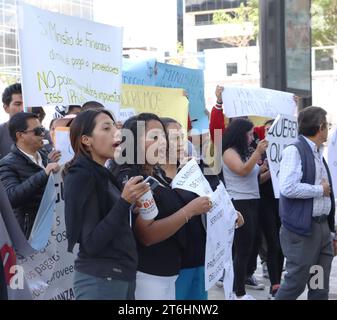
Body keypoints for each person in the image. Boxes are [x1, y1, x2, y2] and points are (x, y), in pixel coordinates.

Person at [116, 113, 212, 300]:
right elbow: (147, 235)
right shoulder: (135, 179)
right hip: (148, 275)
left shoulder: (157, 174)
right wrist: (189, 210)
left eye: (163, 136)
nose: (162, 143)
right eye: (154, 137)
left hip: (168, 272)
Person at [63, 109, 150, 300]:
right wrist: (124, 201)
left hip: (119, 276)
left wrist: (130, 206)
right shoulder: (81, 175)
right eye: (106, 128)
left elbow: (111, 218)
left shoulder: (102, 173)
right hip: (101, 281)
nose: (116, 133)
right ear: (86, 140)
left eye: (115, 126)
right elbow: (91, 242)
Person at [276, 106, 335, 300]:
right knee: (296, 282)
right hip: (302, 231)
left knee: (319, 286)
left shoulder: (317, 152)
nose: (328, 129)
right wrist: (319, 190)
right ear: (320, 127)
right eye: (327, 125)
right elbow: (287, 187)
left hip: (321, 229)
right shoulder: (295, 150)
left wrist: (330, 228)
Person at [222, 118, 268, 300]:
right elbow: (242, 171)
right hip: (239, 203)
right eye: (249, 134)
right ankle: (237, 292)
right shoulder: (229, 152)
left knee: (253, 244)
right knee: (243, 248)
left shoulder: (246, 153)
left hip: (253, 201)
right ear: (241, 134)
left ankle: (240, 285)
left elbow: (254, 179)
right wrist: (257, 153)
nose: (252, 138)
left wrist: (268, 170)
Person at [0, 112, 60, 238]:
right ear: (20, 135)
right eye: (37, 131)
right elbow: (11, 198)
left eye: (42, 129)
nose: (43, 134)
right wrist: (44, 174)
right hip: (32, 234)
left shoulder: (45, 157)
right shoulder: (6, 164)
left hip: (56, 228)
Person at [258, 119, 284, 299]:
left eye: (272, 129)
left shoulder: (288, 151)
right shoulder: (259, 152)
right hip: (265, 202)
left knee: (281, 245)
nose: (269, 132)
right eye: (266, 129)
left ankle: (279, 282)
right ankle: (274, 285)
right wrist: (271, 169)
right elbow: (257, 181)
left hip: (283, 203)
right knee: (273, 244)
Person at [0, 83, 23, 159]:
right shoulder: (1, 132)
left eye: (26, 103)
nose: (23, 108)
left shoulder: (42, 133)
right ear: (6, 108)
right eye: (18, 104)